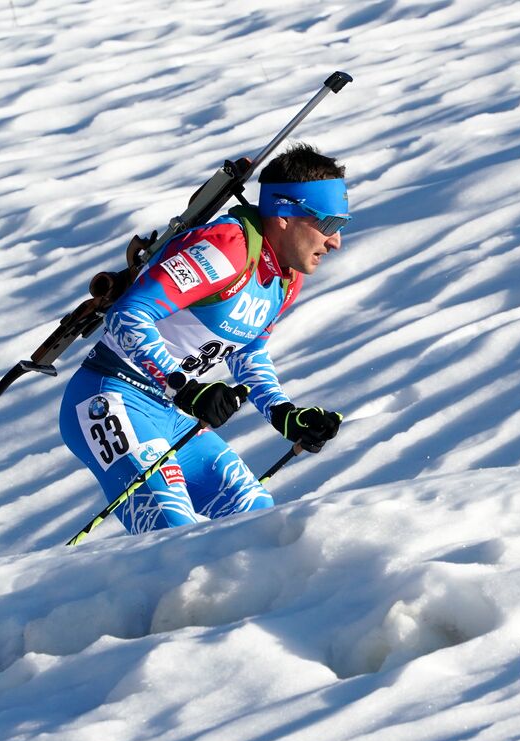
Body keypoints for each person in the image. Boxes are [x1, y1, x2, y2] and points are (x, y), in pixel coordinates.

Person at [58, 143, 346, 533]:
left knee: (259, 519)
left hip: (170, 413)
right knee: (171, 532)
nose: (335, 241)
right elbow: (128, 315)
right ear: (284, 215)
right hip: (110, 398)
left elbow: (248, 350)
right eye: (327, 225)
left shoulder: (285, 278)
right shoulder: (226, 248)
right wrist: (183, 387)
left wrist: (283, 413)